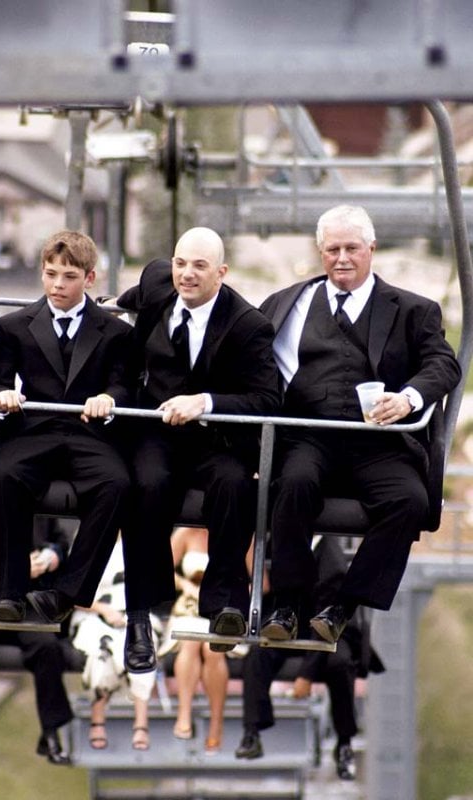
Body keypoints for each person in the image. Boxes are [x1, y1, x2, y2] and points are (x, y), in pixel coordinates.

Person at [259, 204, 461, 643]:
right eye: (333, 249)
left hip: (379, 441)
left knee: (409, 500)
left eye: (352, 248)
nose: (342, 258)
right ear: (320, 252)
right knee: (293, 483)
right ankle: (288, 603)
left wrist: (408, 399)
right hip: (313, 435)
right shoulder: (289, 305)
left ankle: (342, 606)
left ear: (371, 250)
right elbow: (247, 352)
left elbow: (443, 366)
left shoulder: (412, 310)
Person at [116, 227, 280, 674]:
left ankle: (226, 604)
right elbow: (127, 301)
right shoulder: (156, 284)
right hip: (157, 431)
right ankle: (141, 619)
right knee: (145, 485)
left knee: (232, 485)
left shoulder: (249, 326)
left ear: (221, 273)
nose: (186, 275)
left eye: (200, 266)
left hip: (216, 436)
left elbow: (267, 400)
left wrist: (205, 403)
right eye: (180, 263)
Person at [0, 230, 133, 623]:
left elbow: (123, 382)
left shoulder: (117, 331)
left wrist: (110, 399)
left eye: (69, 276)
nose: (57, 284)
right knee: (2, 476)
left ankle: (69, 593)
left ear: (89, 279)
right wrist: (3, 397)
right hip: (35, 430)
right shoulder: (14, 326)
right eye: (50, 274)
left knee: (117, 484)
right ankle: (10, 593)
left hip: (89, 433)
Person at [235, 535, 385, 781]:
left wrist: (306, 673)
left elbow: (326, 621)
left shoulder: (328, 555)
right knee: (258, 656)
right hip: (287, 624)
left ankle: (344, 741)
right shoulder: (275, 546)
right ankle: (252, 730)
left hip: (329, 631)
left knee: (340, 663)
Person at [0, 519, 83, 771]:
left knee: (47, 647)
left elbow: (62, 544)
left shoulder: (40, 507)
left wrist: (51, 556)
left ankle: (51, 731)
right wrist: (17, 570)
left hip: (29, 605)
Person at [70, 537, 159, 752]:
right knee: (102, 648)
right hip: (95, 612)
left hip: (134, 613)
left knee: (141, 645)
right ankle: (98, 719)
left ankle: (141, 721)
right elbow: (71, 591)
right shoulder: (88, 540)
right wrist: (104, 610)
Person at [160, 526, 230, 754]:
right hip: (190, 606)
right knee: (190, 641)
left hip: (223, 608)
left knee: (213, 649)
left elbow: (260, 582)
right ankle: (184, 714)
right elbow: (160, 567)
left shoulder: (239, 530)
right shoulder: (185, 533)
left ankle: (216, 723)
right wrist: (186, 586)